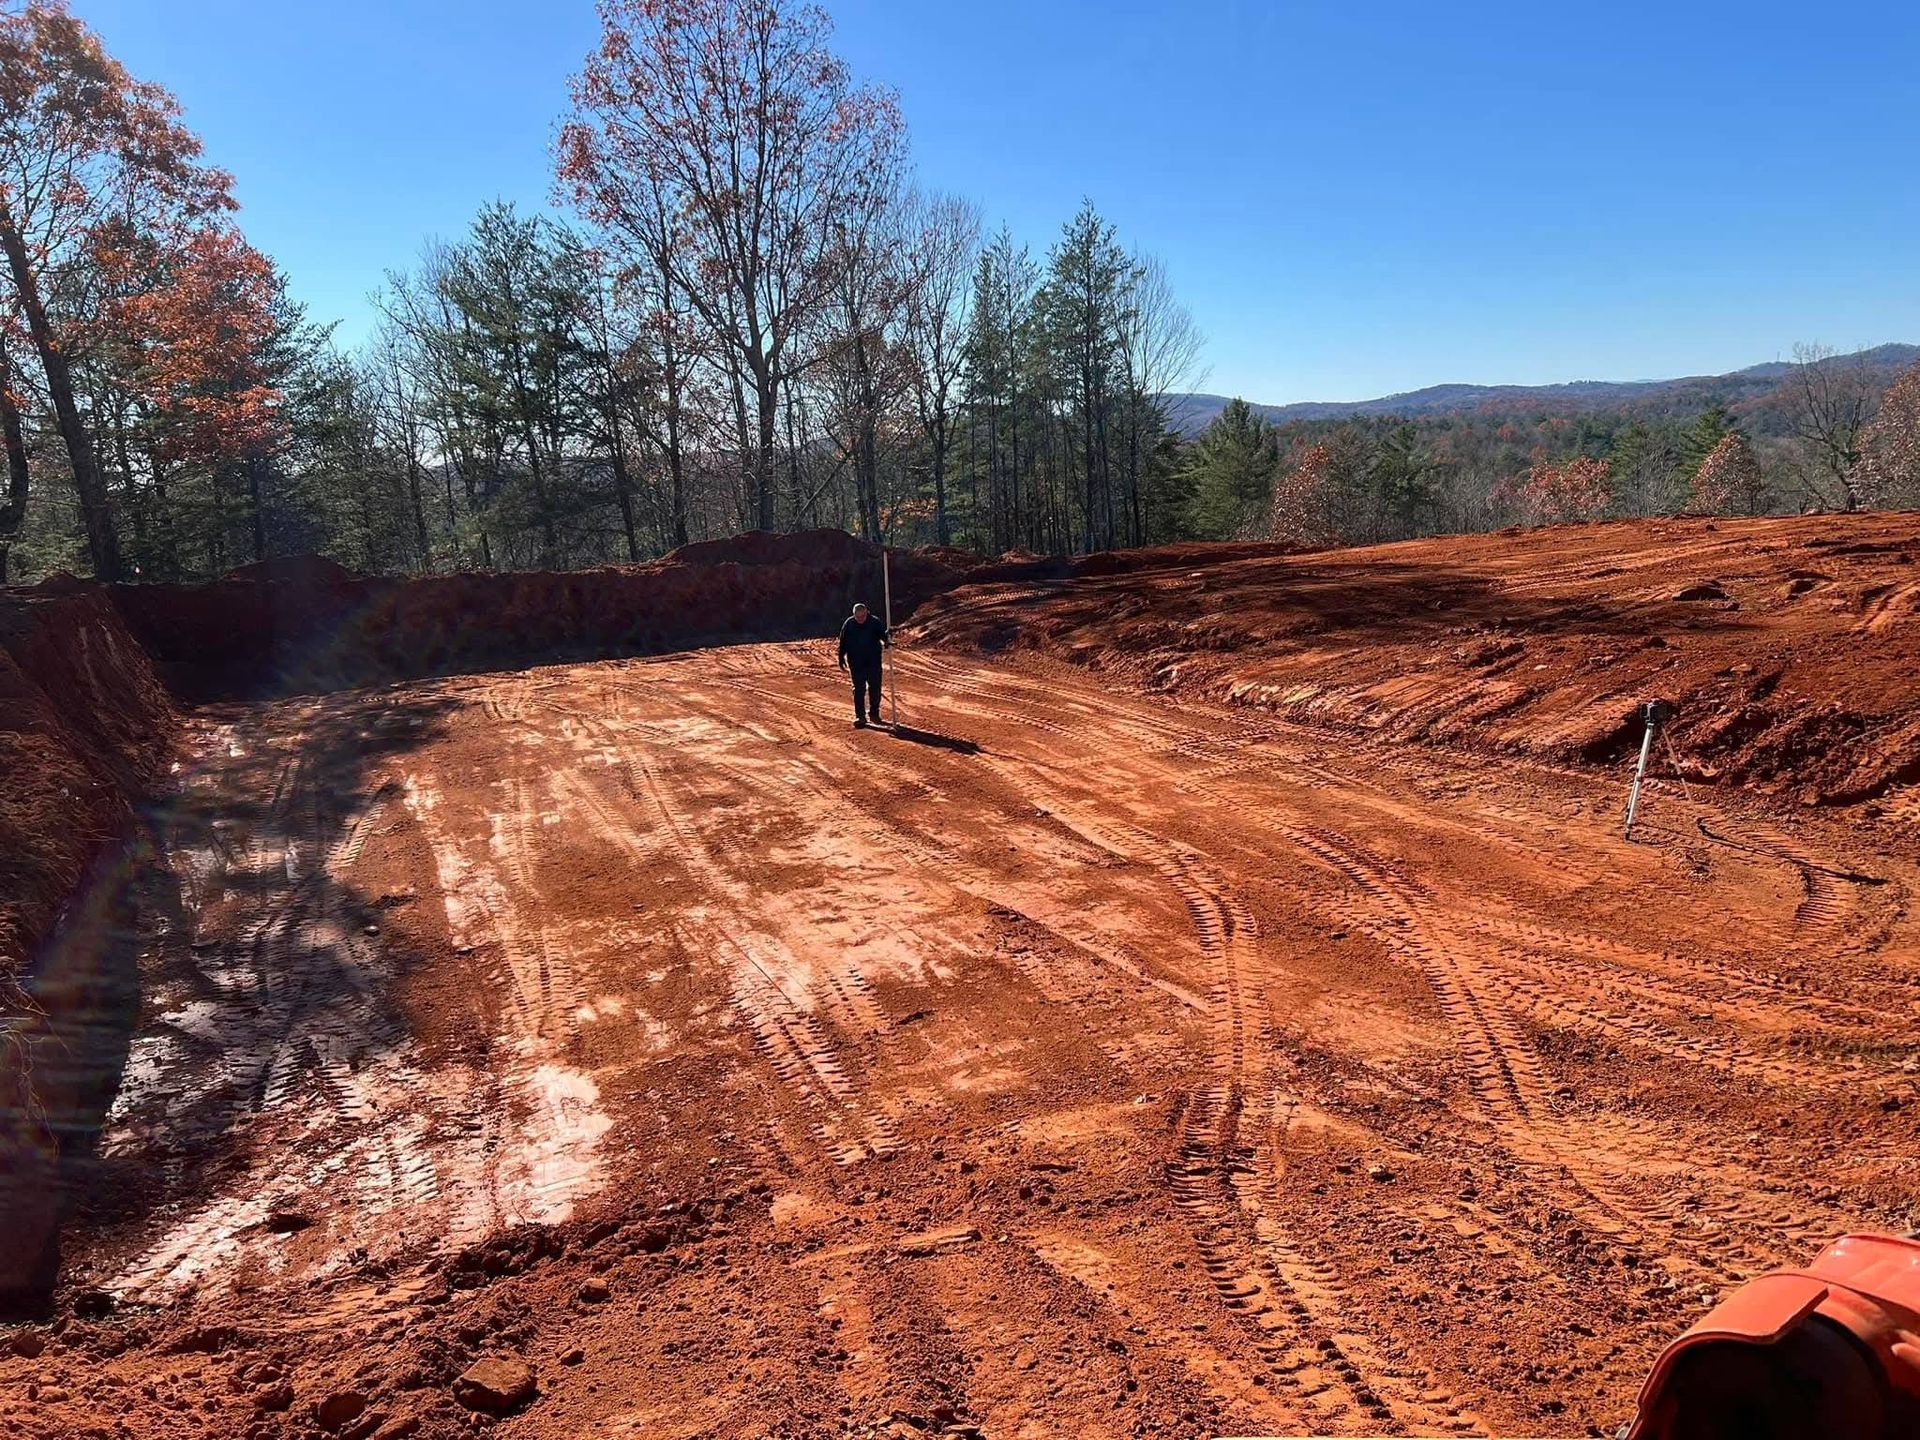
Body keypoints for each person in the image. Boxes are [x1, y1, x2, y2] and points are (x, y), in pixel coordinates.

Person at [837, 602, 889, 727]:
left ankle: (874, 713)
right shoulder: (848, 624)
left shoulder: (874, 622)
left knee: (875, 688)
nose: (860, 619)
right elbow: (842, 641)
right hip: (856, 662)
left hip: (873, 661)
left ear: (867, 613)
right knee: (859, 689)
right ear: (853, 615)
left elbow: (883, 636)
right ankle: (860, 716)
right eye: (857, 617)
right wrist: (841, 657)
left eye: (863, 616)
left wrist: (887, 639)